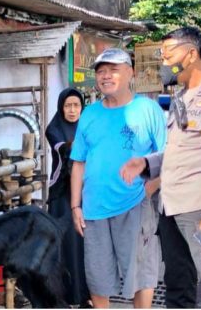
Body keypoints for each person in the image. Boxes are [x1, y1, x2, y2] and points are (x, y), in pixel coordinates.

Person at [120, 27, 201, 308]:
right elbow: (179, 151)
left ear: (191, 54)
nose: (164, 60)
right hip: (170, 205)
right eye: (161, 54)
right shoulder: (179, 98)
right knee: (178, 282)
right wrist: (147, 163)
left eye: (168, 53)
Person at [70, 48, 166, 308]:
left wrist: (148, 191)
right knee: (97, 272)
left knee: (141, 270)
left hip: (135, 203)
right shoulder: (89, 113)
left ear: (130, 73)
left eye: (113, 70)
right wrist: (75, 205)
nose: (106, 76)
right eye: (101, 71)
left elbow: (166, 157)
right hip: (93, 208)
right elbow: (78, 162)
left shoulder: (148, 109)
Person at [45, 87, 90, 307]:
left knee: (88, 246)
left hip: (88, 192)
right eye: (68, 106)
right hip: (63, 195)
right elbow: (67, 151)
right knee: (67, 245)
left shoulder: (88, 126)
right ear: (61, 107)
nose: (72, 110)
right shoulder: (53, 128)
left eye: (76, 105)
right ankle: (66, 295)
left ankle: (87, 295)